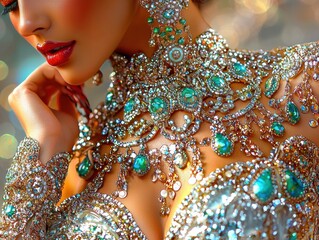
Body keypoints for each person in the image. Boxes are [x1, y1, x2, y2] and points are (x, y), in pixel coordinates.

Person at [0, 0, 318, 239]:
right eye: (10, 4)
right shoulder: (68, 168)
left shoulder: (305, 86)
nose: (27, 22)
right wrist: (41, 154)